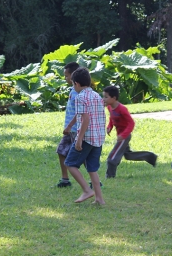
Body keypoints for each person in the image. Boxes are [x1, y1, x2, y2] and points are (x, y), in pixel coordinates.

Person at [64, 67, 106, 204]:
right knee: (92, 168)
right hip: (98, 138)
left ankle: (87, 190)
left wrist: (79, 139)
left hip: (87, 138)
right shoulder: (97, 96)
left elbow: (86, 119)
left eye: (72, 84)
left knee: (70, 163)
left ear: (76, 83)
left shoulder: (80, 97)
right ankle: (99, 199)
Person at [103, 85, 157, 178]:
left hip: (124, 136)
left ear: (114, 98)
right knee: (128, 155)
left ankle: (110, 176)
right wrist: (109, 126)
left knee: (112, 158)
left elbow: (131, 123)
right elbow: (112, 118)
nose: (104, 99)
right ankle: (150, 156)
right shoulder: (110, 107)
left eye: (106, 97)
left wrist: (123, 135)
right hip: (120, 134)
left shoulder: (122, 109)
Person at [55, 62, 80, 187]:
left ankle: (94, 181)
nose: (65, 78)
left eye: (66, 76)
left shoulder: (79, 93)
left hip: (77, 130)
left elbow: (81, 112)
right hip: (69, 130)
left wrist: (70, 126)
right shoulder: (72, 90)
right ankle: (65, 179)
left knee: (83, 156)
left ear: (73, 75)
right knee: (61, 151)